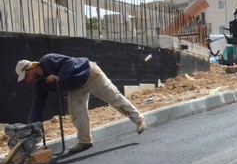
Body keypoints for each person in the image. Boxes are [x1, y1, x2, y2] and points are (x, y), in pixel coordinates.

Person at [16, 54, 146, 154]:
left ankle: (139, 120)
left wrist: (59, 77)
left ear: (32, 67)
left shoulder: (47, 60)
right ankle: (85, 141)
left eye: (27, 76)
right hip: (76, 87)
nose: (28, 80)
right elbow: (37, 106)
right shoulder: (40, 85)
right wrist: (30, 128)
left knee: (114, 98)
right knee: (75, 111)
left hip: (90, 74)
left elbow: (69, 62)